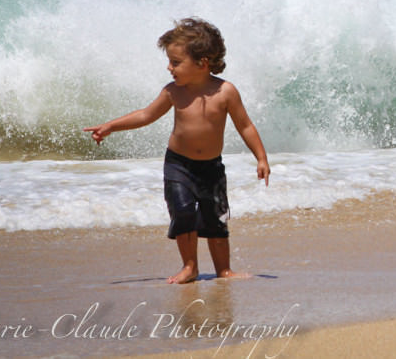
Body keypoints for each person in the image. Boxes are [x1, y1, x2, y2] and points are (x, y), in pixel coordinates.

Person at [84, 17, 270, 284]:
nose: (169, 68)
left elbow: (246, 126)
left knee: (215, 219)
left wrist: (261, 158)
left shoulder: (225, 92)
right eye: (170, 61)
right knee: (182, 212)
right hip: (178, 165)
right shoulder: (173, 92)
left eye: (176, 62)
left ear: (202, 63)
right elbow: (146, 115)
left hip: (211, 168)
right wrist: (112, 126)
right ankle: (190, 267)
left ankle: (224, 270)